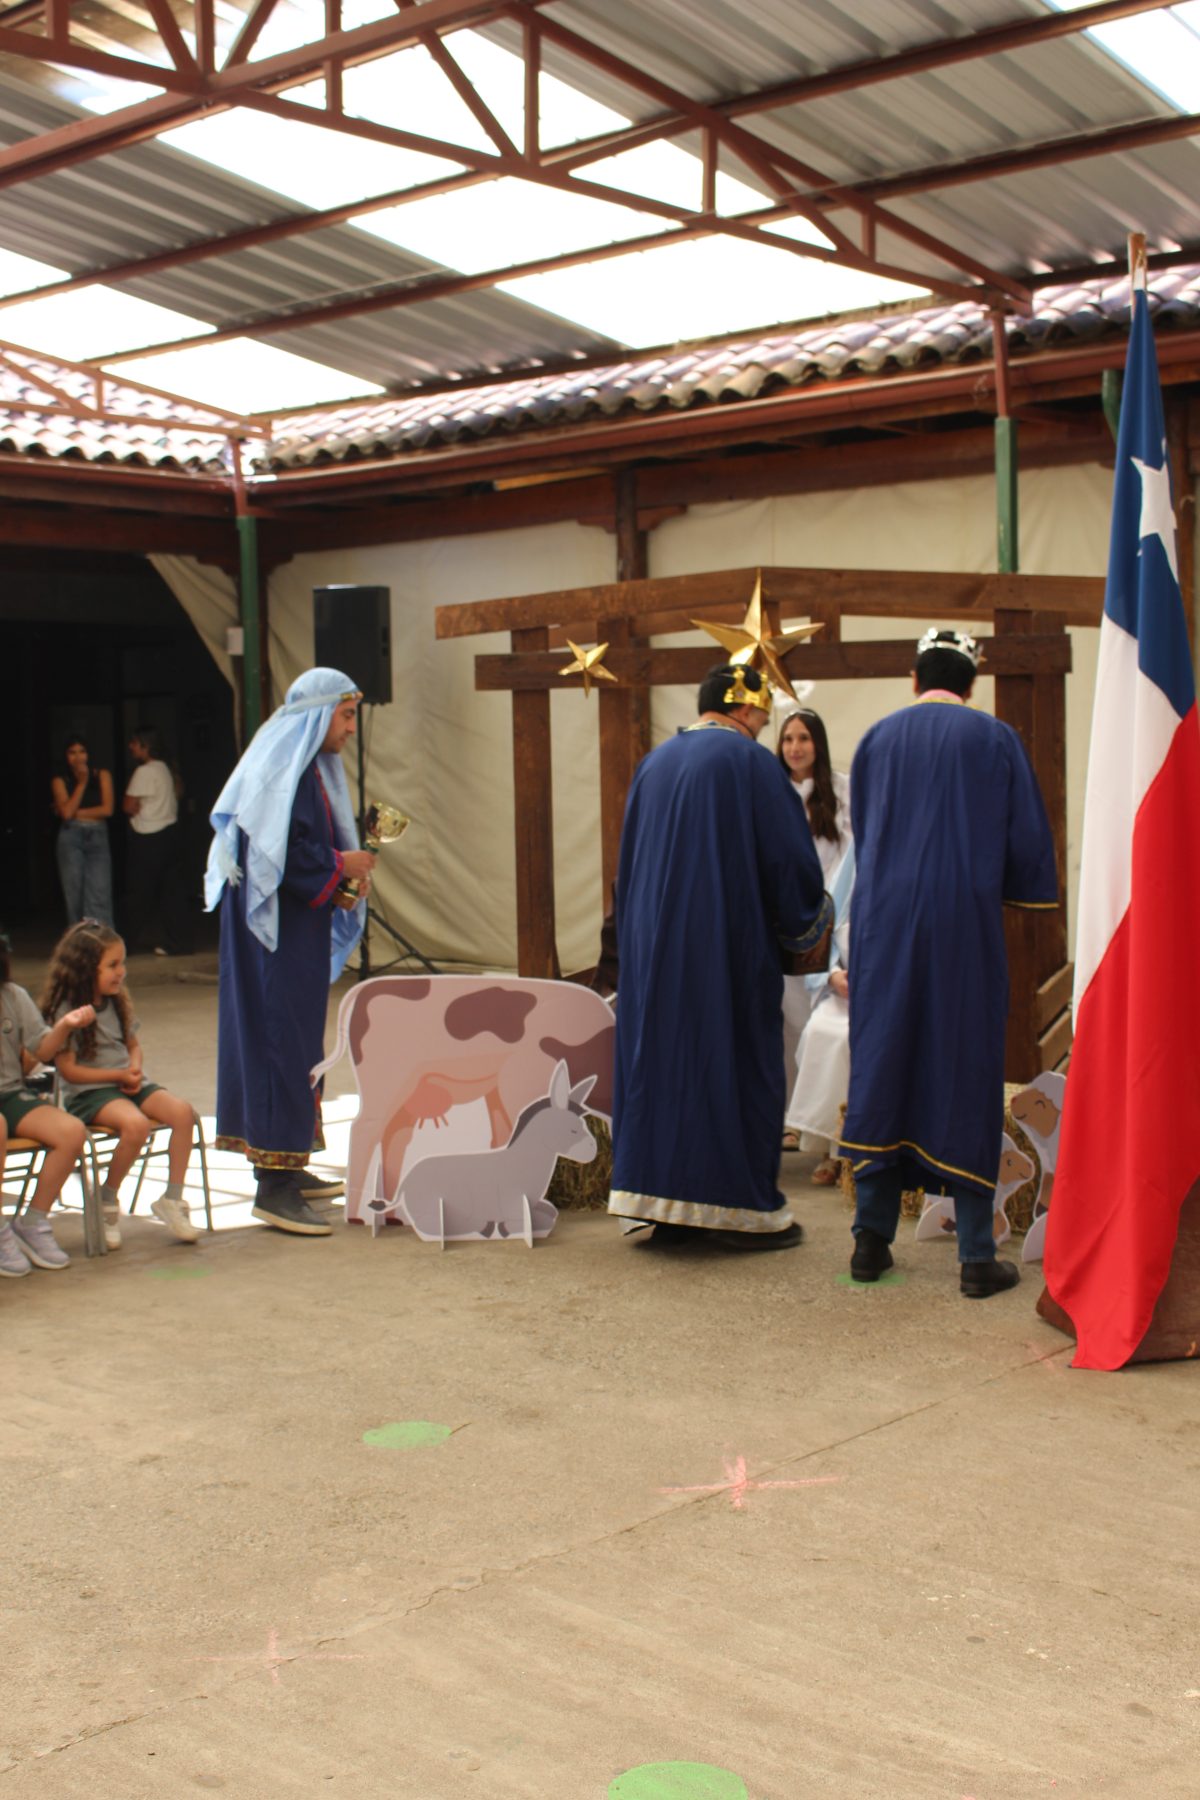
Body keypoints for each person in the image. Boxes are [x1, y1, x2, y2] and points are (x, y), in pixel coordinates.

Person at [839, 628, 1057, 1298]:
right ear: (971, 684)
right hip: (962, 926)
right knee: (964, 1067)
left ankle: (870, 1242)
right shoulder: (993, 739)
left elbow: (867, 838)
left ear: (914, 680)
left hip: (885, 924)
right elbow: (1025, 846)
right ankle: (974, 1255)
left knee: (882, 1063)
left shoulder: (875, 739)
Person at [607, 663, 834, 1251]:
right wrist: (809, 921)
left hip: (653, 948)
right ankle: (735, 1210)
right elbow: (789, 865)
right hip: (721, 947)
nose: (764, 727)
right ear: (745, 709)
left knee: (663, 1066)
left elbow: (627, 864)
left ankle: (662, 1204)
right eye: (763, 716)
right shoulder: (752, 764)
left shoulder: (654, 763)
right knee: (728, 1063)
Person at [205, 668, 376, 1237]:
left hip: (291, 928)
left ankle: (289, 1159)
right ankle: (273, 1184)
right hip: (273, 939)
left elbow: (299, 849)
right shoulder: (285, 770)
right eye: (346, 715)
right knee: (278, 1040)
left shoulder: (303, 767)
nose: (352, 728)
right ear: (317, 715)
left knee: (296, 1038)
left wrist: (342, 880)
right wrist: (339, 867)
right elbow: (277, 855)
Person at [43, 920, 200, 1248]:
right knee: (136, 1125)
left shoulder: (116, 999)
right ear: (87, 969)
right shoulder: (69, 1009)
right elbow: (70, 1071)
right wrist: (117, 1076)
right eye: (112, 965)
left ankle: (172, 1198)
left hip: (127, 1081)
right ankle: (107, 1200)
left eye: (122, 963)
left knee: (183, 1113)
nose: (121, 972)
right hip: (91, 1093)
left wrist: (134, 1068)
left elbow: (132, 1044)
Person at [776, 707, 852, 1170]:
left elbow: (850, 860)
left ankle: (825, 1133)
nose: (795, 747)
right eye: (787, 739)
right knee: (786, 1025)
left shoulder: (839, 792)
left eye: (804, 738)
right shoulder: (772, 791)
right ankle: (790, 1119)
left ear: (817, 744)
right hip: (783, 922)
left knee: (818, 1024)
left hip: (829, 917)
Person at [0, 927, 94, 1275]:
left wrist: (65, 1026)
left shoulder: (12, 995)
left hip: (9, 1093)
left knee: (71, 1131)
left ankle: (33, 1222)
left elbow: (41, 1049)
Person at [785, 840, 854, 1183]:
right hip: (847, 994)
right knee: (821, 1033)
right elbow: (827, 925)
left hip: (891, 994)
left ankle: (856, 1154)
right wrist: (834, 974)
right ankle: (831, 1148)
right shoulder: (852, 863)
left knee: (847, 1041)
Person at [123, 725, 193, 955]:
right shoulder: (166, 769)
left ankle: (125, 941)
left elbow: (129, 805)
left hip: (149, 836)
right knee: (171, 891)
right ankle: (179, 941)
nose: (131, 747)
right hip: (171, 833)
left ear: (146, 746)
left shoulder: (144, 772)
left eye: (135, 743)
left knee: (139, 892)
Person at [51, 736, 114, 926]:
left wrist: (75, 812)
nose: (78, 757)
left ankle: (102, 942)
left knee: (99, 890)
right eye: (72, 752)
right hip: (71, 837)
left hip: (97, 835)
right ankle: (80, 942)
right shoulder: (60, 780)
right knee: (74, 892)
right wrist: (82, 783)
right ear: (66, 756)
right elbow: (67, 814)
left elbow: (107, 809)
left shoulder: (102, 775)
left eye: (82, 751)